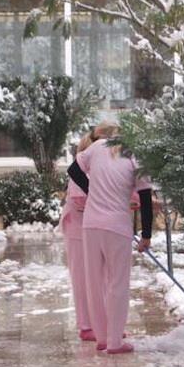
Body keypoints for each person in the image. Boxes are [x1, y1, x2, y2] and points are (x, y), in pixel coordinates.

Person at [68, 123, 153, 354]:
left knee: (94, 282)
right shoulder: (134, 154)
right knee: (117, 283)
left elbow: (73, 170)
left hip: (91, 224)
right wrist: (146, 235)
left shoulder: (95, 148)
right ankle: (115, 342)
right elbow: (145, 197)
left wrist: (91, 190)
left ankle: (102, 338)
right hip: (117, 226)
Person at [59, 125, 114, 342]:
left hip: (99, 227)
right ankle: (86, 325)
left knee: (104, 277)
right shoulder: (82, 169)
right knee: (82, 279)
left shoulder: (103, 168)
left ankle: (104, 324)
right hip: (78, 228)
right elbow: (79, 199)